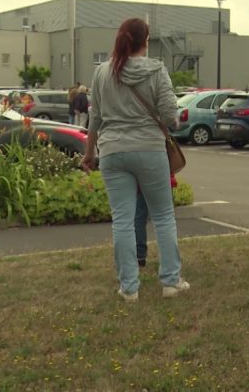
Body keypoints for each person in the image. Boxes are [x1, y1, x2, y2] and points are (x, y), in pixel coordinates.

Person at [81, 18, 189, 301]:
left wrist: (90, 152)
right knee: (164, 216)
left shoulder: (103, 72)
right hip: (150, 149)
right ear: (147, 39)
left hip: (112, 151)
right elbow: (169, 115)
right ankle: (170, 281)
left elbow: (96, 117)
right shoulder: (157, 70)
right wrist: (169, 121)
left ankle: (129, 287)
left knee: (123, 221)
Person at [135, 174, 178, 268]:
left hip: (140, 179)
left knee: (139, 218)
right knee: (165, 219)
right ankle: (169, 261)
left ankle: (139, 256)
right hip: (163, 177)